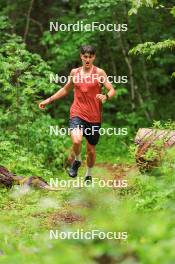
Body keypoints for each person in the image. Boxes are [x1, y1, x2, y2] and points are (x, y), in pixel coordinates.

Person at [39, 45, 115, 183]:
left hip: (94, 117)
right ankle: (78, 161)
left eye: (90, 57)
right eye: (85, 56)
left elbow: (111, 89)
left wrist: (106, 97)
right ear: (81, 56)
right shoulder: (75, 73)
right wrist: (48, 100)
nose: (87, 59)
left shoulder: (99, 73)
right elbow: (65, 89)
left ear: (94, 57)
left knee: (91, 150)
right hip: (77, 113)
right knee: (76, 140)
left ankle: (88, 174)